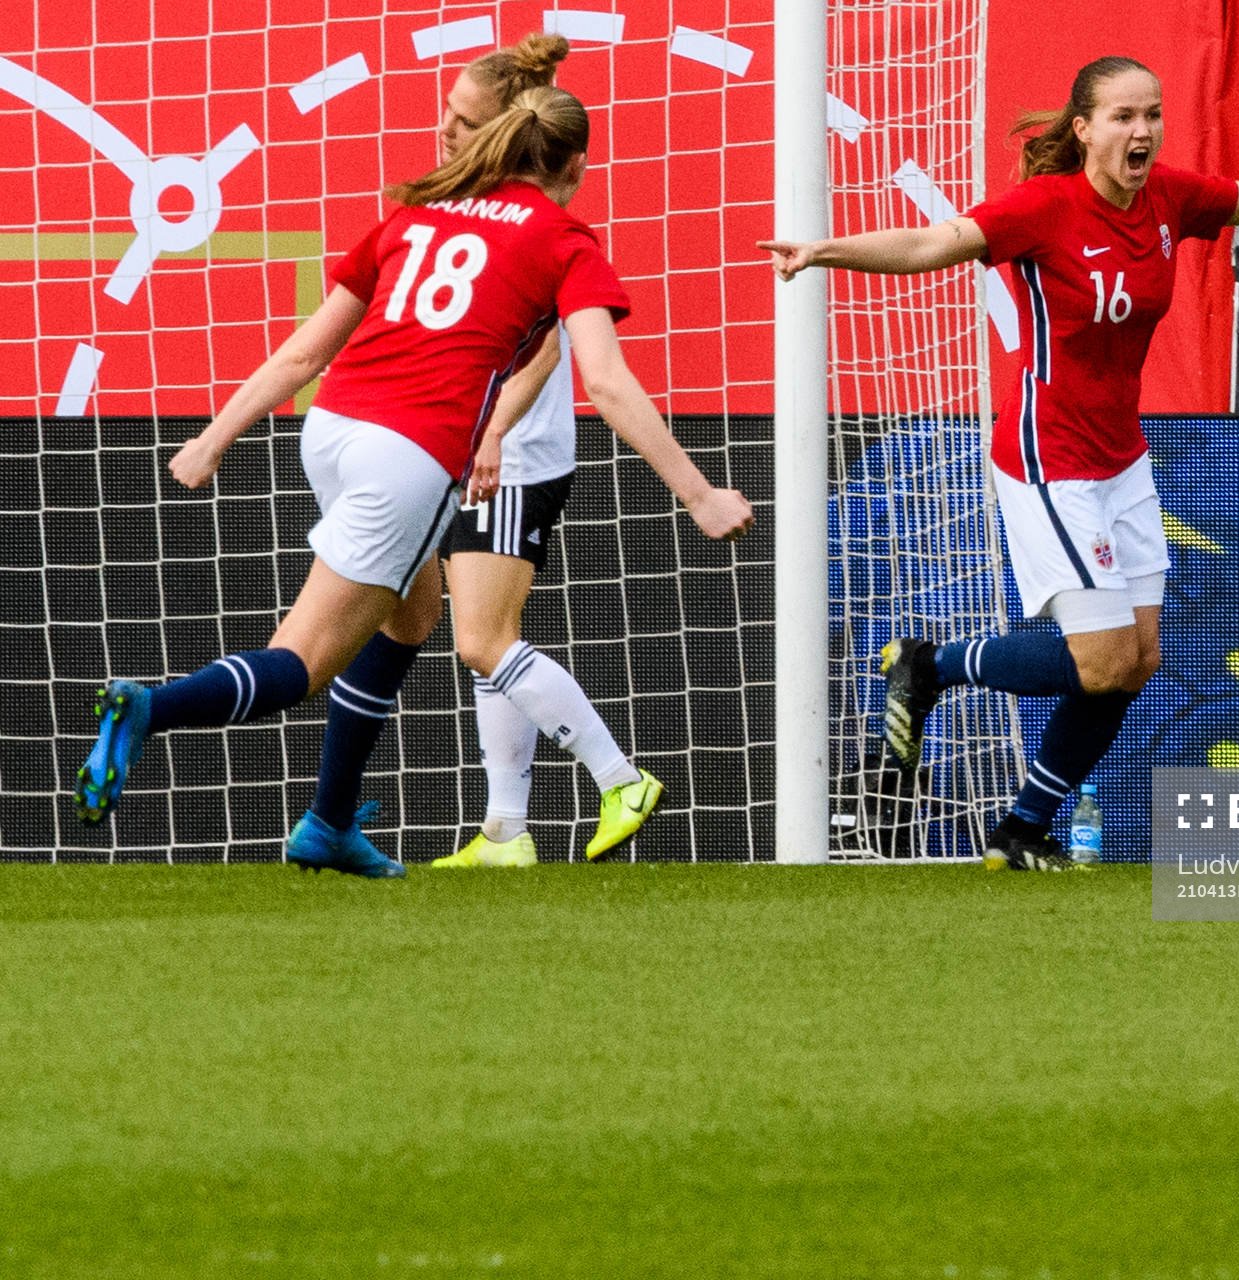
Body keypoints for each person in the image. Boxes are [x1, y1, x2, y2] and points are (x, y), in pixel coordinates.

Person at [761, 55, 1239, 870]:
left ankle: (1023, 828)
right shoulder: (1045, 207)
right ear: (1083, 130)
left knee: (1138, 662)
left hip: (1120, 457)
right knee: (1099, 660)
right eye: (1123, 117)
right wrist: (826, 251)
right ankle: (927, 665)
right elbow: (935, 240)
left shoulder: (1171, 199)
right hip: (1049, 455)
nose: (1142, 131)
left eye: (1153, 115)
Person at [75, 85, 754, 876]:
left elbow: (304, 352)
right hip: (412, 455)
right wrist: (699, 493)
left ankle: (329, 822)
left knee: (412, 614)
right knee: (300, 662)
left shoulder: (418, 211)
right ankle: (151, 707)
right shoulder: (564, 238)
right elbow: (604, 381)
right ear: (576, 165)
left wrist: (216, 437)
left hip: (329, 431)